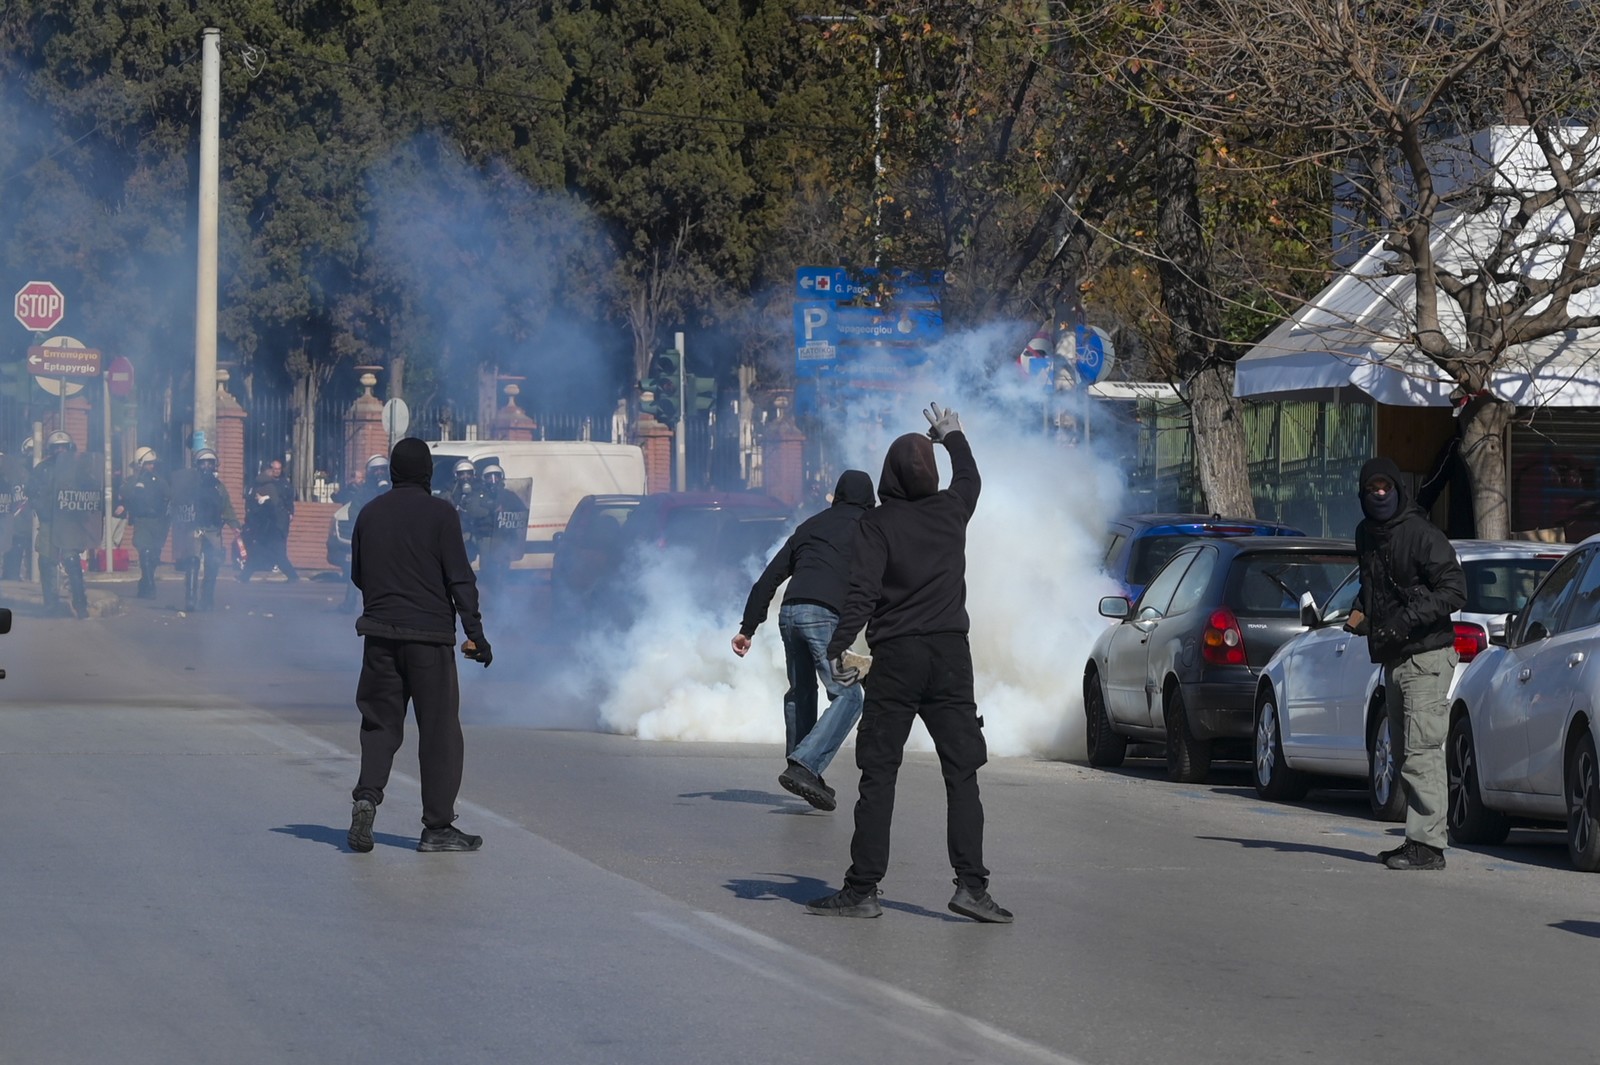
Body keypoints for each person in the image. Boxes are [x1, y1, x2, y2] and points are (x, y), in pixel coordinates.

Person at [808, 403, 1012, 923]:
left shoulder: (876, 524)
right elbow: (971, 478)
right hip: (949, 656)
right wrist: (953, 436)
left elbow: (863, 592)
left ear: (889, 475)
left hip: (896, 658)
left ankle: (862, 891)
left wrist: (838, 647)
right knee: (962, 773)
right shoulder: (952, 510)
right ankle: (972, 887)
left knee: (879, 773)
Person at [347, 437, 492, 855]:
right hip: (429, 641)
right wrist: (475, 635)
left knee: (379, 724)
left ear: (392, 473)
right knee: (439, 731)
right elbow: (460, 579)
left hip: (378, 637)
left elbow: (358, 574)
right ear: (428, 473)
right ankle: (438, 827)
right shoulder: (441, 514)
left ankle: (366, 797)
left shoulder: (370, 514)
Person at [1346, 457, 1466, 871]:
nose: (1379, 493)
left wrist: (1404, 622)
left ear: (1398, 489)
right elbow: (1373, 586)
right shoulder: (1367, 534)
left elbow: (1454, 590)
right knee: (1402, 753)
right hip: (1394, 659)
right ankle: (1416, 839)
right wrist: (1360, 613)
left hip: (1427, 656)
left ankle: (1428, 847)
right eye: (1371, 488)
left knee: (1422, 751)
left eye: (1386, 486)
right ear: (1362, 494)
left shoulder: (1420, 533)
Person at [732, 469, 876, 812]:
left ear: (838, 496)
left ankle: (802, 766)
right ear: (869, 500)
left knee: (802, 691)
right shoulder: (869, 527)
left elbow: (767, 579)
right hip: (823, 616)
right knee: (850, 695)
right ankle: (805, 764)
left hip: (790, 613)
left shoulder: (810, 525)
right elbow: (877, 583)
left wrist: (747, 628)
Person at [28, 431, 98, 618]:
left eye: (63, 446)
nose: (60, 450)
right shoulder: (42, 468)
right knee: (45, 560)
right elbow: (31, 490)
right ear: (50, 449)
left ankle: (80, 604)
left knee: (71, 560)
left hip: (69, 521)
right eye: (56, 447)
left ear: (70, 448)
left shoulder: (79, 468)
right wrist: (40, 506)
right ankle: (50, 603)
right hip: (49, 521)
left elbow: (91, 489)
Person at [170, 448, 240, 612]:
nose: (207, 466)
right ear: (197, 465)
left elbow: (227, 507)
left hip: (213, 529)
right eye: (203, 463)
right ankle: (191, 599)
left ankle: (207, 599)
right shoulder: (189, 484)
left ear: (215, 465)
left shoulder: (219, 487)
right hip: (195, 527)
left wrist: (234, 525)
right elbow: (178, 502)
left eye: (210, 463)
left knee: (213, 563)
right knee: (193, 561)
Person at [338, 454, 392, 612]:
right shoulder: (364, 492)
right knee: (356, 569)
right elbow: (354, 511)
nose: (379, 473)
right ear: (370, 472)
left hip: (390, 538)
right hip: (370, 537)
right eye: (376, 470)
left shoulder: (393, 488)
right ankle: (350, 602)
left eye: (383, 469)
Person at [118, 447, 171, 599]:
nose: (151, 467)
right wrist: (138, 480)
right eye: (148, 464)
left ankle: (144, 581)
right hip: (142, 520)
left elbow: (168, 496)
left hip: (159, 522)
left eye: (153, 464)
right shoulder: (132, 481)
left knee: (154, 556)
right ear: (140, 464)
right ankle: (149, 585)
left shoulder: (160, 481)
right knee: (145, 551)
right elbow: (124, 493)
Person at [239, 457, 298, 582]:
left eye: (278, 469)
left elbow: (284, 503)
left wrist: (289, 513)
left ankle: (292, 576)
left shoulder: (279, 484)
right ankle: (244, 576)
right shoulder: (266, 485)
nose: (276, 471)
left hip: (273, 526)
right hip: (270, 525)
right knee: (263, 552)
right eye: (273, 469)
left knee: (274, 553)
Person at [474, 464, 528, 592]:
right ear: (484, 479)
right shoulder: (480, 495)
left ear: (501, 478)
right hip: (487, 534)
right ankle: (490, 587)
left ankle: (500, 590)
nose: (493, 480)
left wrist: (507, 511)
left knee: (502, 563)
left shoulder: (509, 495)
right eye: (489, 477)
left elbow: (521, 510)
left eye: (496, 477)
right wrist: (491, 509)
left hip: (504, 535)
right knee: (487, 566)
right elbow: (474, 510)